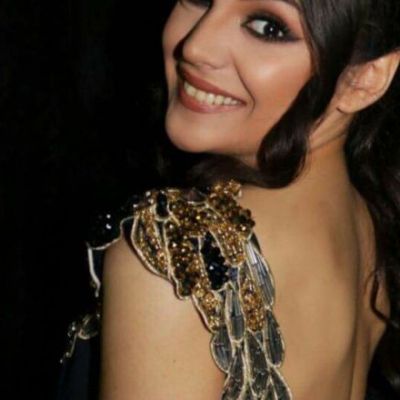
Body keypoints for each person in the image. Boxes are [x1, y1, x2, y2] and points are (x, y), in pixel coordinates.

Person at [57, 0, 400, 399]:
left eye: (268, 27)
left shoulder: (176, 254)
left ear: (364, 80)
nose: (195, 46)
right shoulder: (363, 223)